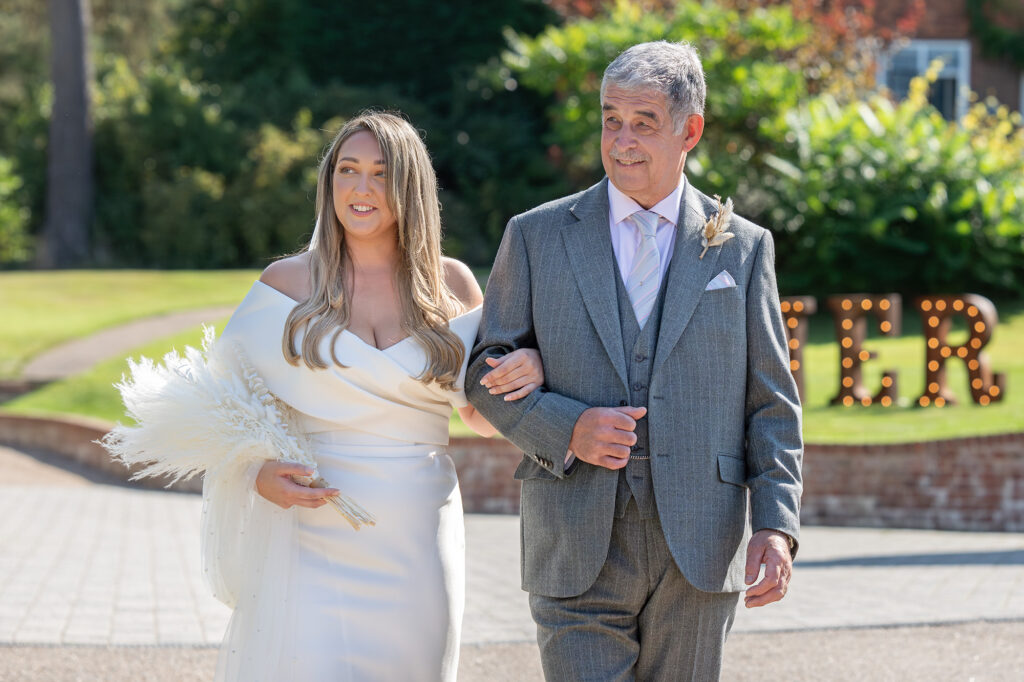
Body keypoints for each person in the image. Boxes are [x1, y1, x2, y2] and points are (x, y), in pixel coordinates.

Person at [466, 41, 803, 680]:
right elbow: (487, 373)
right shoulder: (537, 235)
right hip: (575, 537)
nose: (622, 141)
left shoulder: (744, 249)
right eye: (610, 119)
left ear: (690, 131)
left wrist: (776, 525)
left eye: (644, 123)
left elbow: (771, 400)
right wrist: (567, 427)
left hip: (700, 545)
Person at [209, 111, 545, 681]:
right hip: (314, 529)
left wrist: (530, 368)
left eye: (381, 174)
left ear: (408, 185)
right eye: (348, 170)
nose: (361, 189)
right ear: (329, 181)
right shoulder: (285, 285)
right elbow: (219, 411)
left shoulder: (453, 284)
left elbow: (483, 418)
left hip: (420, 529)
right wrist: (258, 475)